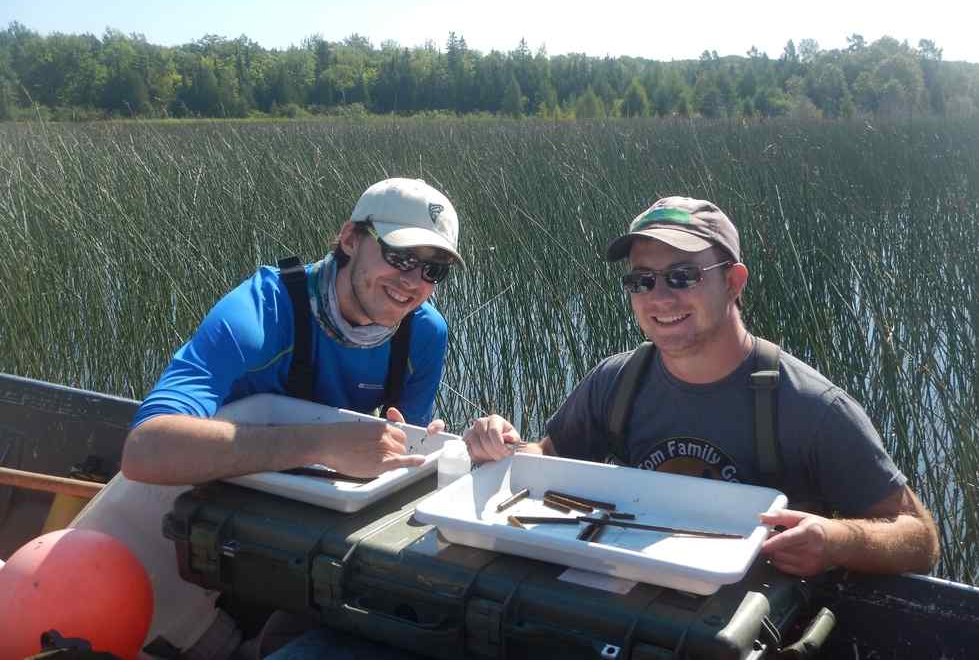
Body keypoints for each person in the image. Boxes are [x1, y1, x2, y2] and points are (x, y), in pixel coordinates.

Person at [465, 196, 940, 577]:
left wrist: (834, 541)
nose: (660, 298)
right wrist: (500, 446)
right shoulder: (616, 381)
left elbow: (919, 539)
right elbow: (547, 462)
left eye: (682, 276)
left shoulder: (811, 408)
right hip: (635, 603)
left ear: (734, 282)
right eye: (642, 280)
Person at [121, 177, 463, 486]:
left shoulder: (424, 334)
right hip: (210, 489)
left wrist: (450, 446)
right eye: (400, 256)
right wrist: (322, 444)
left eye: (433, 269)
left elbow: (406, 452)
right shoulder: (259, 313)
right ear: (350, 239)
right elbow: (145, 449)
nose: (413, 281)